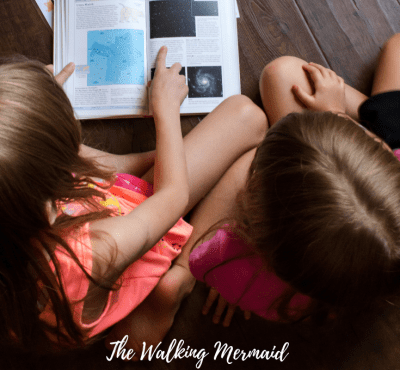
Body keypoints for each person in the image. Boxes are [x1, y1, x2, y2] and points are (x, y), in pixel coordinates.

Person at [0, 48, 267, 354]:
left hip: (87, 238)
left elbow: (88, 169)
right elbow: (172, 196)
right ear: (53, 179)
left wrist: (33, 108)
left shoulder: (14, 203)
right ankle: (179, 277)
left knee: (218, 137)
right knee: (248, 119)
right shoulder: (96, 249)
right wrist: (165, 109)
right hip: (132, 243)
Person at [188, 34, 400, 326]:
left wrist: (228, 279)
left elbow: (205, 256)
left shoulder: (232, 263)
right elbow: (385, 150)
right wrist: (333, 113)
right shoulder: (354, 272)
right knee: (283, 74)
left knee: (272, 86)